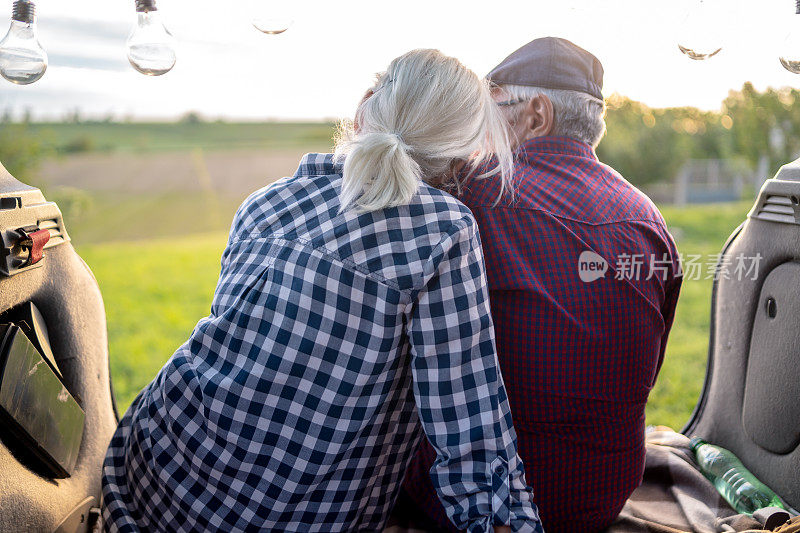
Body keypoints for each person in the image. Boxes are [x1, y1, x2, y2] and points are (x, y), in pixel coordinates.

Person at [101, 48, 543, 533]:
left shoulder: (264, 201)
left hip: (142, 468)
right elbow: (466, 419)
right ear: (467, 152)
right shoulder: (446, 229)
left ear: (363, 107)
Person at [400, 37, 683, 533]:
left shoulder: (469, 191)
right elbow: (647, 369)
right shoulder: (647, 218)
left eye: (491, 111)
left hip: (490, 504)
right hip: (600, 498)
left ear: (536, 114)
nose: (479, 132)